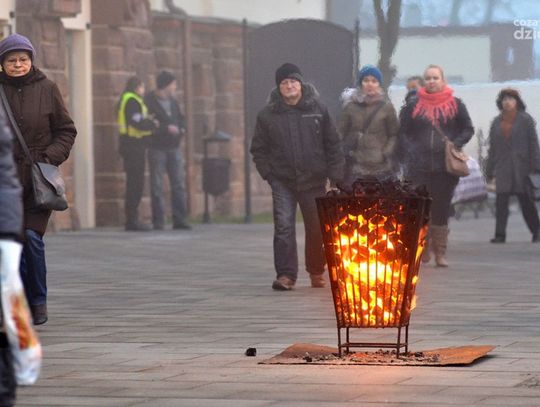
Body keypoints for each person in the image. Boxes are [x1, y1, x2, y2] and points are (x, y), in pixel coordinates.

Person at [0, 33, 77, 324]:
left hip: (36, 181)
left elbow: (66, 130)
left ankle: (38, 301)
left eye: (23, 59)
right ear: (3, 64)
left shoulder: (48, 88)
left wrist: (48, 157)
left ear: (31, 60)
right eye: (11, 60)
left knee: (31, 239)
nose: (18, 65)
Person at [250, 62, 344, 290]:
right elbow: (258, 149)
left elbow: (333, 144)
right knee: (283, 227)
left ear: (301, 84)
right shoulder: (267, 115)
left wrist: (334, 176)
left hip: (314, 179)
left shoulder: (318, 109)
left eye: (293, 81)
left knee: (317, 228)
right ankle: (286, 275)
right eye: (284, 82)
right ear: (278, 87)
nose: (289, 85)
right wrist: (268, 174)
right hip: (282, 180)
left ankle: (316, 271)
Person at [397, 64, 473, 267]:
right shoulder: (413, 105)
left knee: (441, 209)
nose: (431, 81)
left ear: (442, 80)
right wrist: (411, 150)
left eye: (435, 78)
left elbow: (468, 129)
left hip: (444, 168)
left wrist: (455, 143)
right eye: (428, 78)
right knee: (420, 209)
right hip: (418, 168)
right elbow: (402, 133)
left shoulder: (456, 104)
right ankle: (422, 248)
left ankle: (440, 252)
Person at [485, 88, 540, 243]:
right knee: (501, 203)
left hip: (522, 168)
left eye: (510, 99)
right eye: (504, 99)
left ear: (517, 102)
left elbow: (533, 144)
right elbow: (492, 148)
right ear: (500, 102)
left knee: (526, 202)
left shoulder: (525, 120)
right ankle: (500, 235)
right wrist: (489, 170)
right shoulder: (496, 122)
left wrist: (536, 167)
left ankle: (537, 231)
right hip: (503, 168)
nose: (507, 102)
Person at [145, 71, 191, 230]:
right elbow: (148, 124)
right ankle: (158, 220)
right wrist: (166, 128)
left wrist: (182, 128)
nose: (175, 87)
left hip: (174, 147)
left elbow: (181, 118)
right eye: (173, 84)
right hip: (157, 148)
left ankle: (180, 219)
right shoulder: (149, 102)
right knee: (157, 185)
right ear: (166, 85)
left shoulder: (173, 102)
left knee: (178, 184)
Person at [338, 64, 399, 183]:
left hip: (381, 168)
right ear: (361, 83)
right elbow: (340, 134)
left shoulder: (387, 107)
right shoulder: (350, 107)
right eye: (366, 80)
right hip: (356, 167)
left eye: (374, 81)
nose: (370, 84)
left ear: (379, 84)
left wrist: (386, 151)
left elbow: (394, 134)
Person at [116, 76, 157, 231]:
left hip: (132, 146)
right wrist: (152, 124)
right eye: (142, 87)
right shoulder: (132, 101)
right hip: (133, 146)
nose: (143, 90)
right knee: (135, 184)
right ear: (136, 87)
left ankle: (133, 218)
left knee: (135, 183)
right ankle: (132, 220)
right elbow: (136, 122)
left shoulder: (129, 100)